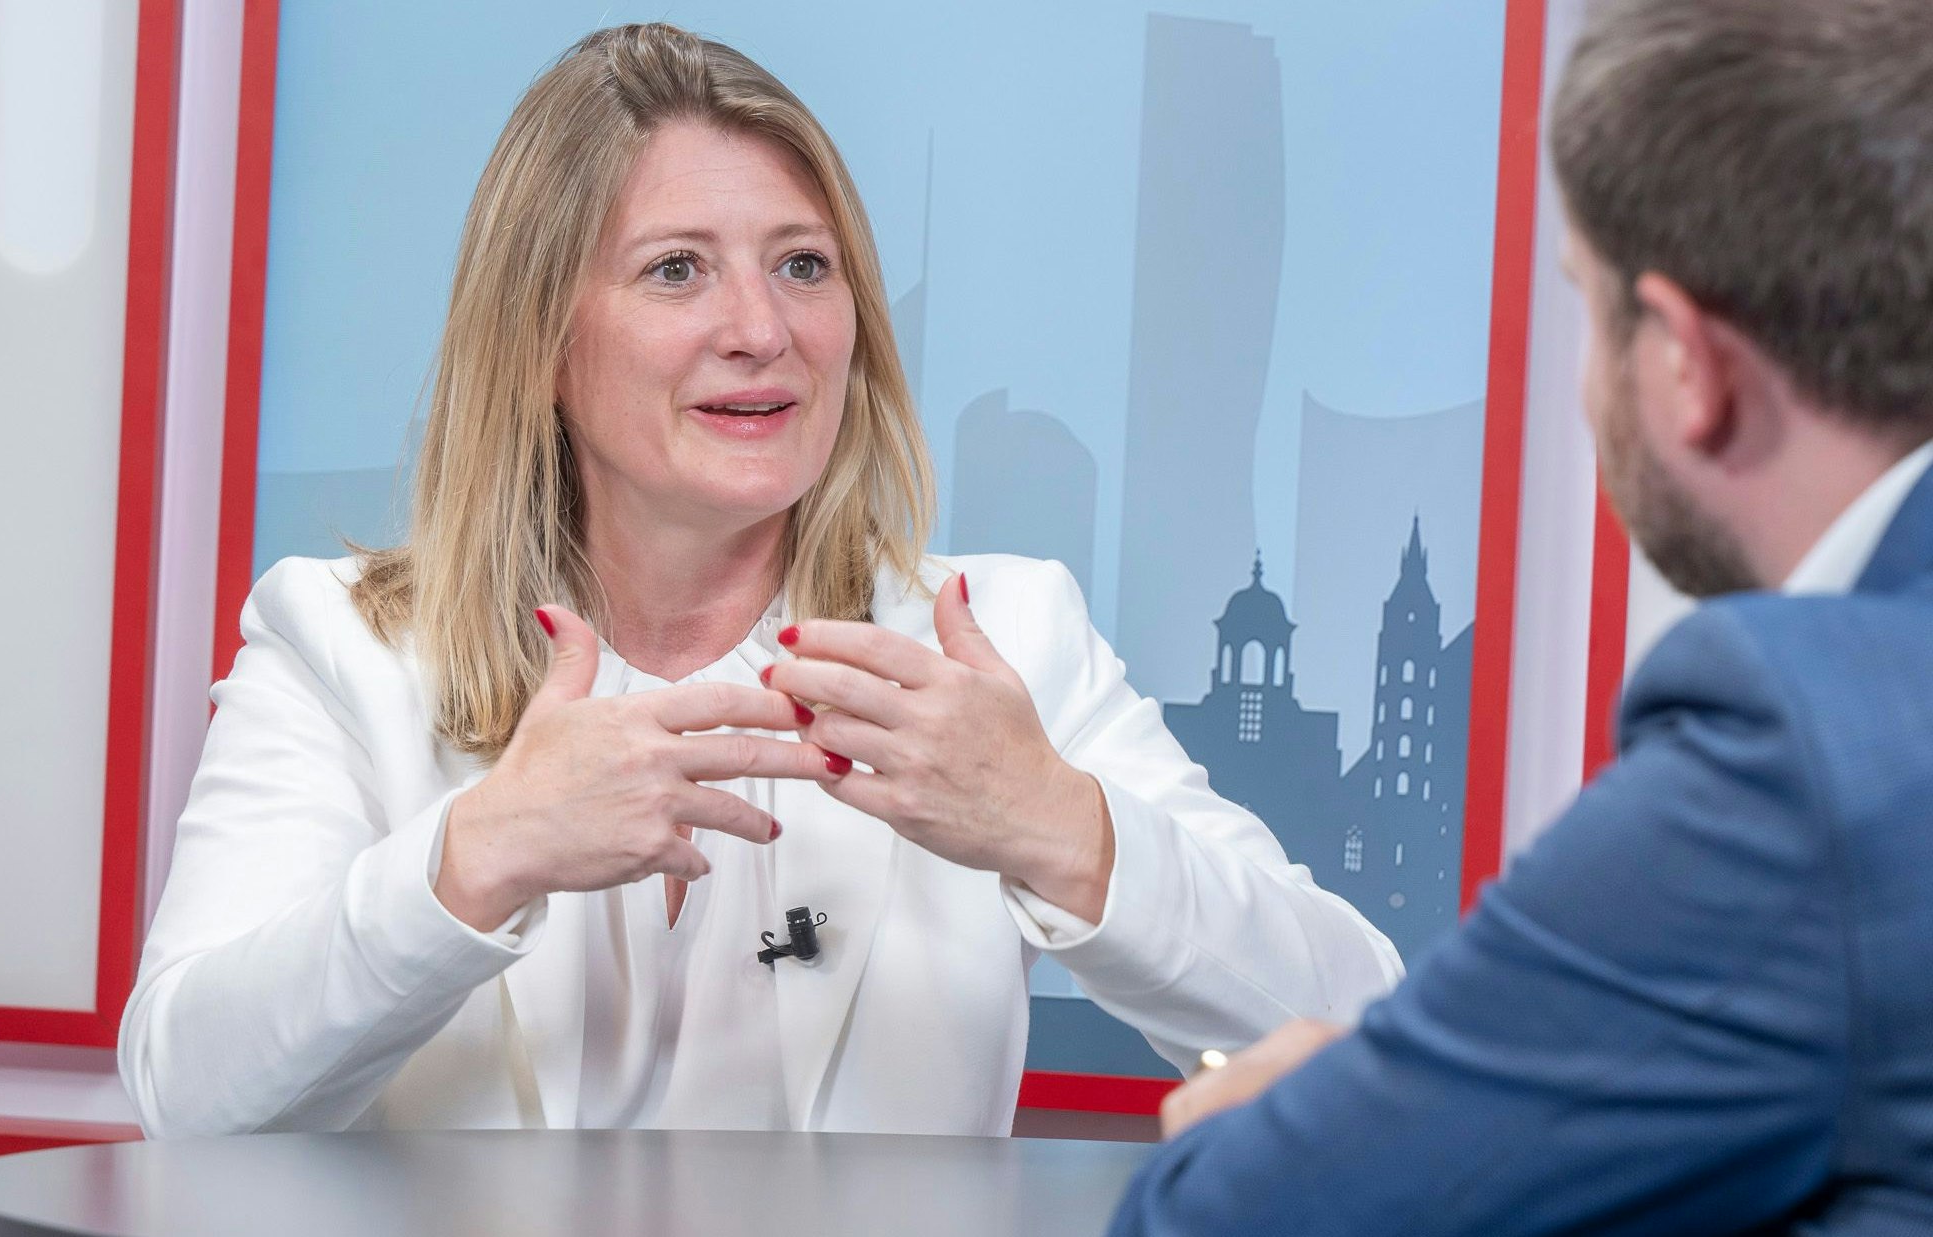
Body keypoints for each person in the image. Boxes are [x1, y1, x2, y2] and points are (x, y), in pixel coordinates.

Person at [118, 23, 1399, 1140]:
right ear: (540, 340)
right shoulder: (339, 647)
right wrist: (477, 858)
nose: (763, 330)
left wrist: (1056, 825)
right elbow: (189, 1095)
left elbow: (1358, 1027)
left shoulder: (1001, 639)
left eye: (803, 264)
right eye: (677, 269)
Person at [1112, 0, 1933, 1231]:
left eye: (1586, 308)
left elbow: (1230, 1218)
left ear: (1684, 365)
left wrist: (1306, 1112)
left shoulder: (1804, 745)